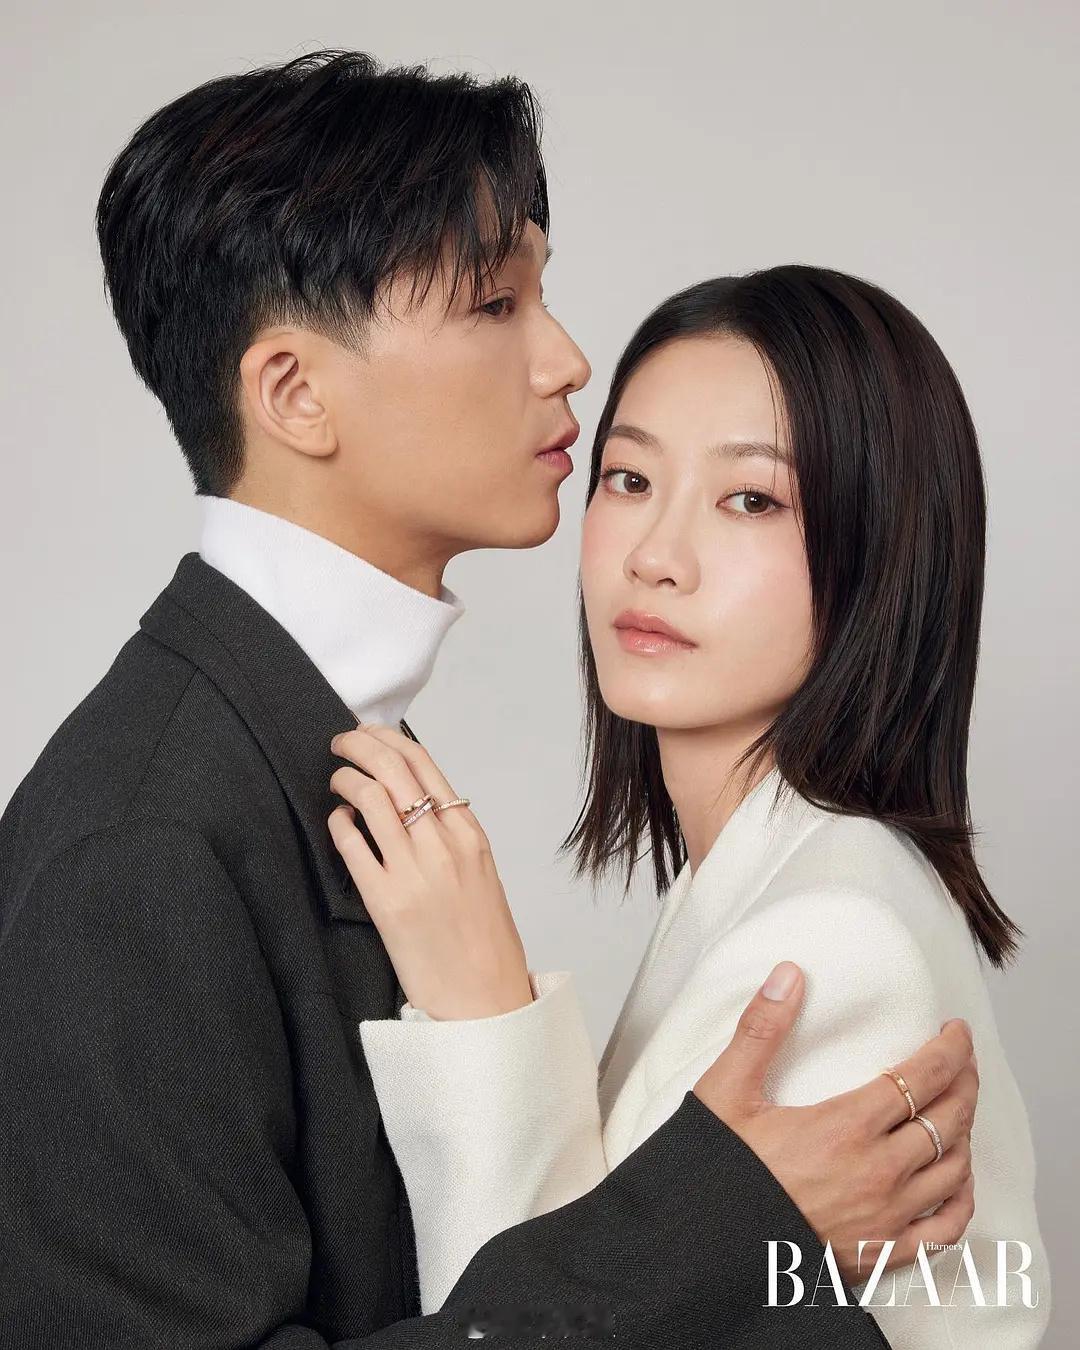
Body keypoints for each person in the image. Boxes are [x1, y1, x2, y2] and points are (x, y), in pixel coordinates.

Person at [0, 50, 977, 1349]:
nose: (568, 359)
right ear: (295, 393)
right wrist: (724, 1225)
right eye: (495, 301)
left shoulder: (326, 741)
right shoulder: (139, 843)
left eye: (543, 292)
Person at [327, 265, 1050, 1346]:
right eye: (627, 479)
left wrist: (482, 1012)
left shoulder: (829, 943)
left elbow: (552, 1318)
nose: (656, 557)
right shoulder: (771, 882)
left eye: (751, 499)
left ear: (882, 550)